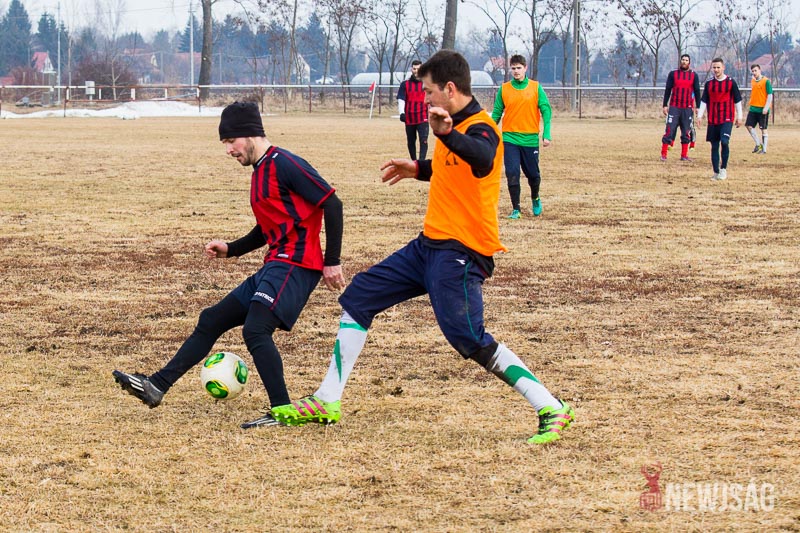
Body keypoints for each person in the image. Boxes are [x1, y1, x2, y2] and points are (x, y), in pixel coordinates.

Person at [270, 50, 575, 445]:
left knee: (469, 338)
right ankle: (327, 399)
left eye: (429, 91)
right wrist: (418, 168)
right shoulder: (452, 126)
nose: (425, 97)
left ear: (450, 88)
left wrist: (446, 134)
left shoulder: (483, 128)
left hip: (461, 252)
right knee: (360, 296)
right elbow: (451, 167)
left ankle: (550, 406)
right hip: (428, 246)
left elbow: (482, 159)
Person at [112, 101, 346, 429]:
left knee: (256, 329)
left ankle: (282, 411)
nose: (228, 151)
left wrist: (331, 261)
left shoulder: (286, 164)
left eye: (230, 141)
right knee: (212, 319)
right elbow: (268, 228)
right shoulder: (260, 172)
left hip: (296, 264)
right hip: (276, 263)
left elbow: (332, 203)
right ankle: (156, 386)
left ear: (249, 134)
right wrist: (231, 249)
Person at [491, 54, 552, 219]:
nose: (516, 71)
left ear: (525, 68)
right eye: (513, 68)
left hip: (530, 139)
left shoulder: (535, 88)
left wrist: (546, 134)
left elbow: (546, 110)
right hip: (510, 138)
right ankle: (516, 209)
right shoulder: (504, 89)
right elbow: (496, 113)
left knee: (533, 175)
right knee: (512, 172)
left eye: (519, 68)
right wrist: (486, 132)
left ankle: (535, 197)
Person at [696, 58, 742, 181]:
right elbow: (704, 101)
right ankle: (716, 172)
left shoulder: (731, 82)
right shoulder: (709, 84)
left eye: (718, 67)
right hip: (713, 119)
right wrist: (699, 116)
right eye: (714, 67)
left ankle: (723, 169)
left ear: (723, 68)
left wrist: (740, 116)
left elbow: (737, 100)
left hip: (727, 118)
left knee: (725, 141)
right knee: (714, 146)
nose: (716, 70)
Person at [660, 53, 701, 162]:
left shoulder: (694, 75)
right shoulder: (673, 74)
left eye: (686, 60)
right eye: (683, 60)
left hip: (687, 108)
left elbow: (697, 91)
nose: (684, 62)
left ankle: (684, 155)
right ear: (680, 61)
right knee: (669, 129)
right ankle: (663, 154)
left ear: (689, 63)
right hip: (674, 107)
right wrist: (665, 105)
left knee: (686, 131)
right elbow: (668, 89)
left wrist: (698, 106)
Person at [397, 59, 429, 160]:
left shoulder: (427, 83)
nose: (416, 71)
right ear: (412, 69)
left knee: (423, 140)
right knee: (411, 142)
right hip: (409, 118)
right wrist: (402, 113)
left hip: (422, 117)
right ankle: (414, 162)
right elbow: (401, 99)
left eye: (418, 69)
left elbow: (432, 98)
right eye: (414, 69)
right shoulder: (405, 84)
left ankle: (421, 162)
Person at [745, 64, 773, 154]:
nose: (754, 73)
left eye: (755, 70)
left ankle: (764, 150)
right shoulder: (753, 81)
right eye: (752, 71)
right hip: (753, 108)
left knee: (763, 129)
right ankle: (758, 144)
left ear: (760, 70)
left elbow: (770, 95)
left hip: (762, 109)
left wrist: (766, 107)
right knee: (748, 126)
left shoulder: (766, 81)